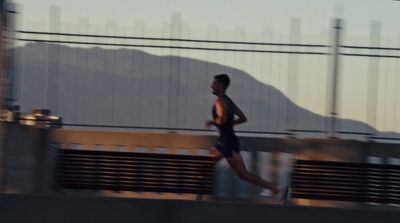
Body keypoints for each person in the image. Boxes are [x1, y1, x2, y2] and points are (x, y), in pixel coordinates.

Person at [205, 73, 280, 196]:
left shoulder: (219, 102)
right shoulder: (229, 102)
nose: (211, 86)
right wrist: (229, 125)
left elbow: (222, 119)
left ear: (221, 85)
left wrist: (212, 122)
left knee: (207, 168)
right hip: (229, 141)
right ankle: (276, 189)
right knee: (243, 175)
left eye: (214, 83)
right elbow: (243, 118)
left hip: (225, 143)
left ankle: (276, 189)